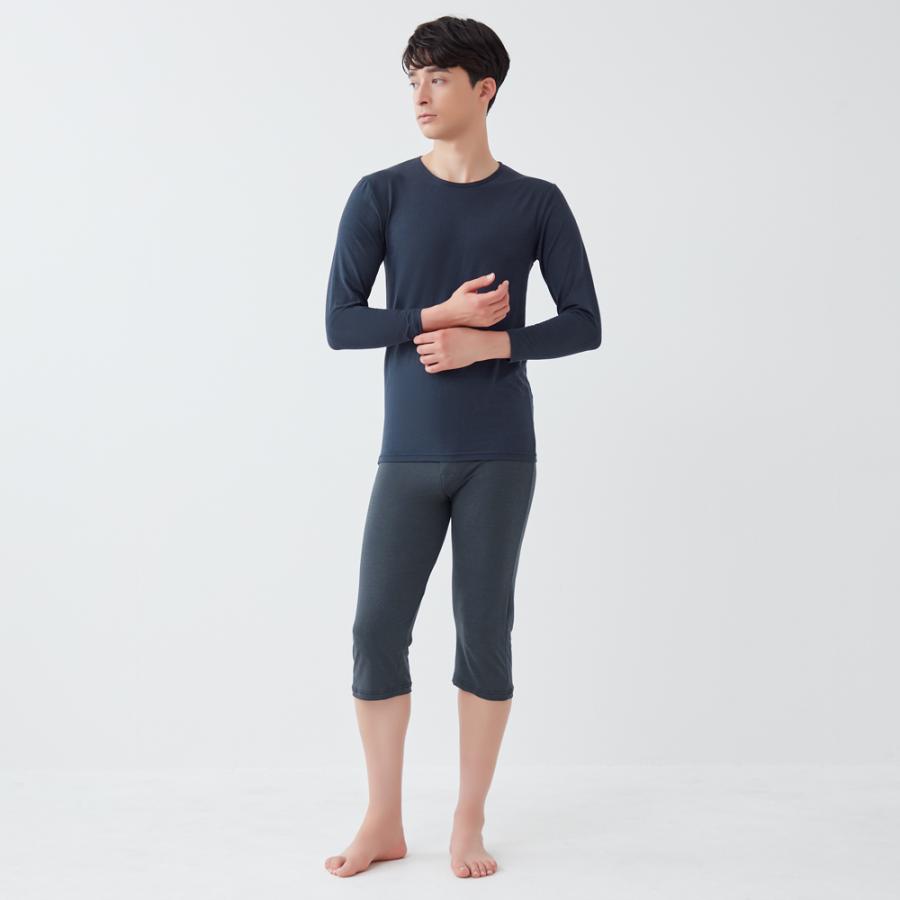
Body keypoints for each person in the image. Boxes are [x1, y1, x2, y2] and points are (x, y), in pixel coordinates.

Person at [323, 15, 602, 879]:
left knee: (484, 632)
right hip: (407, 453)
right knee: (376, 629)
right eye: (413, 77)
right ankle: (382, 819)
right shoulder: (381, 194)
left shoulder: (536, 201)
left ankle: (468, 820)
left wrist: (491, 343)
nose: (419, 93)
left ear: (485, 90)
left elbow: (584, 323)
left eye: (438, 77)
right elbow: (340, 322)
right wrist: (437, 316)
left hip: (499, 454)